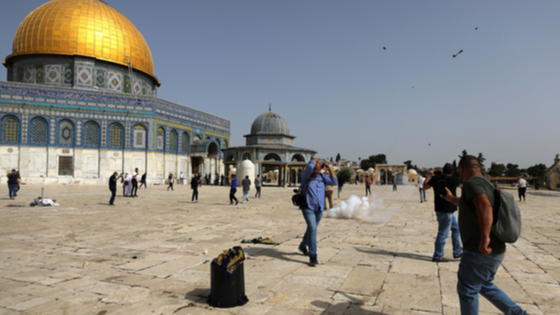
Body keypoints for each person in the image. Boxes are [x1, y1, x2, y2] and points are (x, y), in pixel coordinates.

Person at [442, 155, 526, 315]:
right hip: (494, 251)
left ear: (461, 169)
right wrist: (451, 199)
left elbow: (484, 205)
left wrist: (484, 237)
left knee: (468, 290)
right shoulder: (485, 182)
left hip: (480, 251)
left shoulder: (471, 182)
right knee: (483, 284)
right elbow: (472, 204)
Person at [298, 158, 338, 266]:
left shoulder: (322, 177)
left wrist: (330, 169)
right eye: (315, 169)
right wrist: (314, 159)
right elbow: (310, 166)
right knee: (313, 229)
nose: (316, 171)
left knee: (311, 228)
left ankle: (302, 245)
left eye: (318, 170)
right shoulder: (306, 175)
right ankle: (313, 255)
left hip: (319, 209)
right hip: (308, 207)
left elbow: (334, 182)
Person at [423, 164, 462, 262]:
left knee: (456, 229)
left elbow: (424, 187)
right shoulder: (454, 180)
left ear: (443, 170)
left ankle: (457, 251)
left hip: (442, 209)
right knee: (443, 233)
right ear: (452, 172)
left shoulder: (436, 179)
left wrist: (429, 175)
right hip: (448, 209)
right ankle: (438, 255)